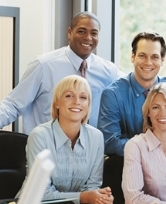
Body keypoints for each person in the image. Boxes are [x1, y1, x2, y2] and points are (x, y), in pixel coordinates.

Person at [0, 11, 123, 150]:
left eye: (94, 33)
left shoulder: (108, 71)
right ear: (69, 32)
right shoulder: (43, 65)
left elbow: (133, 89)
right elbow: (14, 103)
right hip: (45, 152)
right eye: (82, 31)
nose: (88, 38)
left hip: (87, 156)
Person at [98, 31, 166, 203]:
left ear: (162, 60)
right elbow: (109, 141)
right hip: (124, 168)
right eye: (142, 56)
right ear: (132, 56)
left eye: (155, 57)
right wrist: (145, 150)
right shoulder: (113, 94)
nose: (148, 62)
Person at [17, 75, 114, 204]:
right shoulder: (39, 136)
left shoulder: (96, 137)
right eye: (69, 96)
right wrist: (83, 197)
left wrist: (99, 197)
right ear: (57, 102)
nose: (77, 102)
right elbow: (41, 193)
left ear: (88, 104)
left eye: (83, 97)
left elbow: (92, 186)